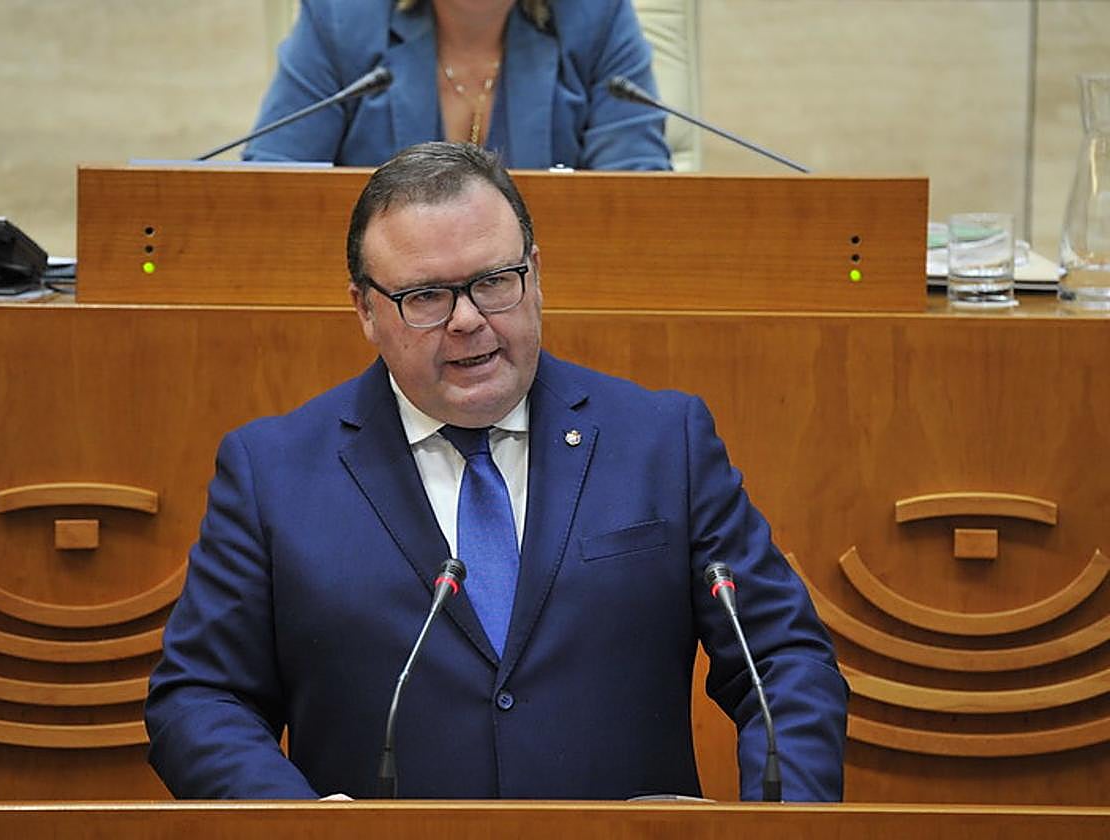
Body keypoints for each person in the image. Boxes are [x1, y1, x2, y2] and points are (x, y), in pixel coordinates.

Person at [145, 142, 848, 801]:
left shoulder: (664, 442)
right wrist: (297, 828)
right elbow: (201, 697)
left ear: (535, 275)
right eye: (426, 297)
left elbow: (783, 660)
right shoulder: (272, 473)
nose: (468, 320)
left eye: (493, 282)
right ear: (364, 308)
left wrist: (780, 821)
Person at [241, 0, 671, 170]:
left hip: (550, 307)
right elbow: (272, 183)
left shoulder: (596, 16)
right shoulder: (341, 17)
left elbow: (635, 194)